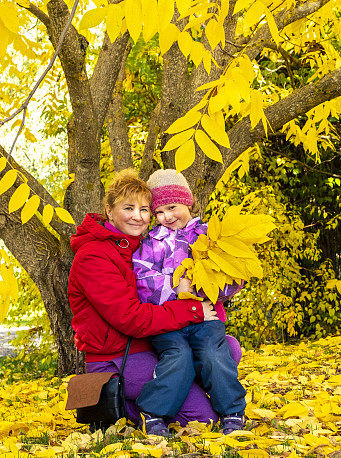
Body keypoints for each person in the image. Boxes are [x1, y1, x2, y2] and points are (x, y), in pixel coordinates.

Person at [67, 169, 243, 435]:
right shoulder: (95, 256)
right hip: (118, 356)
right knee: (202, 417)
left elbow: (227, 278)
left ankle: (196, 396)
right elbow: (131, 318)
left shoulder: (134, 243)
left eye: (144, 209)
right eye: (128, 208)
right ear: (109, 210)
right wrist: (193, 307)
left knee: (228, 348)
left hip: (148, 343)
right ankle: (128, 405)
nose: (138, 216)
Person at [132, 170, 246, 436]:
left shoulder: (208, 237)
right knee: (178, 356)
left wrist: (210, 286)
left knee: (214, 354)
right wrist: (178, 287)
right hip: (169, 320)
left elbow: (232, 277)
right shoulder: (150, 243)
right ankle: (154, 413)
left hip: (205, 318)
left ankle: (232, 411)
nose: (167, 217)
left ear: (187, 202)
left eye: (171, 207)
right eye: (158, 212)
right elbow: (143, 281)